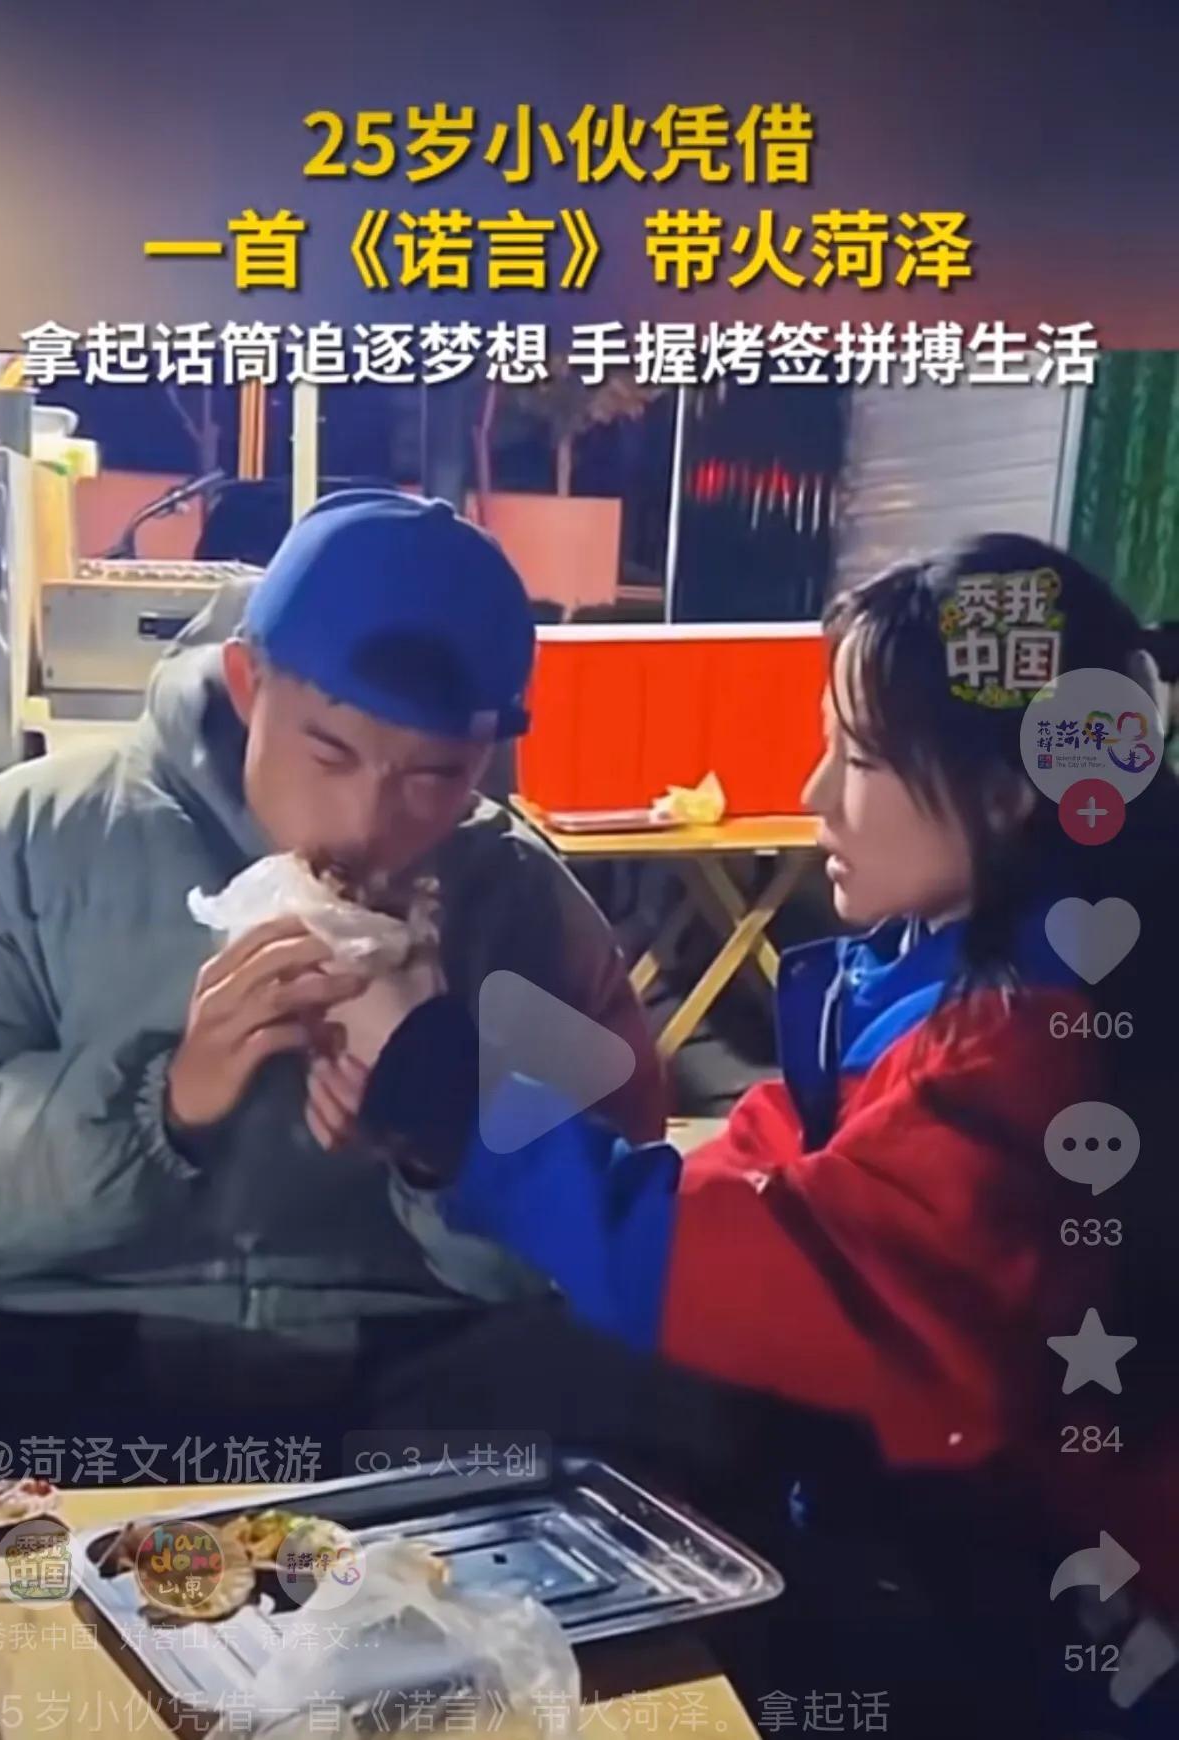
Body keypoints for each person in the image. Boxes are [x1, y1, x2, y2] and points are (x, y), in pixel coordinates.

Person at [333, 535, 1179, 1728]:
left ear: (1007, 793)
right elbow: (752, 1177)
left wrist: (445, 1089)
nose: (816, 793)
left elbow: (777, 1262)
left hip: (1058, 1614)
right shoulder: (932, 976)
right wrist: (458, 1125)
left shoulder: (1030, 1047)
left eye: (862, 758)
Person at [0, 488, 663, 1458]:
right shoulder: (10, 849)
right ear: (248, 683)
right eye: (330, 752)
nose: (368, 822)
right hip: (64, 1347)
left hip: (401, 1368)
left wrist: (435, 1135)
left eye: (434, 777)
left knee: (631, 1392)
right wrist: (167, 1106)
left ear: (486, 751)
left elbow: (603, 1246)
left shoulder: (521, 899)